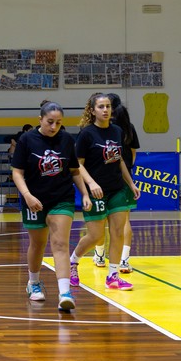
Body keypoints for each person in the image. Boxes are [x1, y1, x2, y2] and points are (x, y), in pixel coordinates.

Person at [10, 101, 91, 312]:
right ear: (40, 120)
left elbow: (74, 170)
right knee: (38, 244)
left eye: (58, 122)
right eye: (50, 122)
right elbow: (17, 172)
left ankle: (65, 293)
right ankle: (33, 282)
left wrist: (84, 194)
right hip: (34, 199)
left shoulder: (66, 140)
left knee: (60, 244)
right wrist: (27, 195)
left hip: (61, 198)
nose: (54, 127)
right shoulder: (27, 140)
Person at [68, 92, 140, 291]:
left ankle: (113, 275)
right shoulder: (86, 134)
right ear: (92, 111)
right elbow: (78, 165)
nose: (106, 110)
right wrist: (91, 184)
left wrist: (131, 183)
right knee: (96, 236)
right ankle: (73, 261)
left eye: (108, 106)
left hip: (117, 188)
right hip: (96, 191)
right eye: (101, 107)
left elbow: (119, 161)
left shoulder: (117, 131)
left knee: (118, 232)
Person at [104, 93, 140, 273]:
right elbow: (133, 152)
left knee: (100, 219)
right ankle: (124, 260)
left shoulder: (106, 127)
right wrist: (129, 167)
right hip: (125, 176)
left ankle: (100, 255)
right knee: (125, 221)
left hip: (106, 177)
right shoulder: (129, 127)